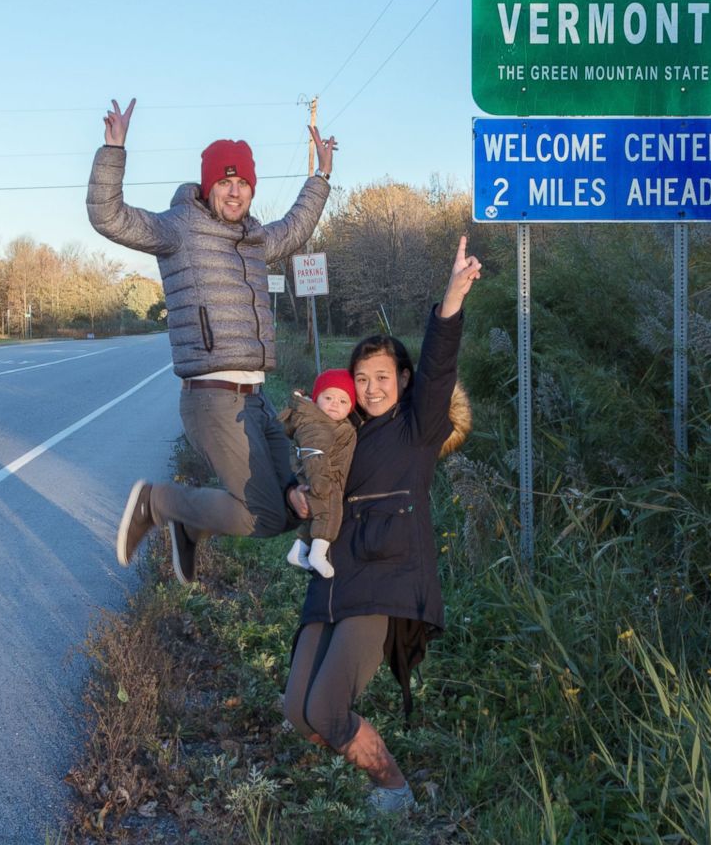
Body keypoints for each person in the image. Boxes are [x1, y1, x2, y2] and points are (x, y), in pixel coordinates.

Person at [86, 98, 335, 585]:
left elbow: (297, 228)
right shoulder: (178, 229)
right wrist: (113, 151)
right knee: (260, 515)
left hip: (256, 400)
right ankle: (157, 503)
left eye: (242, 182)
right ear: (208, 185)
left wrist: (321, 178)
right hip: (212, 396)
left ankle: (188, 526)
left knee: (290, 509)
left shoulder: (255, 238)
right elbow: (109, 217)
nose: (235, 191)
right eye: (225, 181)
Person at [282, 236, 479, 814]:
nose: (371, 388)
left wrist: (451, 299)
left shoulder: (418, 428)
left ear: (403, 380)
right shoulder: (340, 435)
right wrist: (297, 494)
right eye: (361, 378)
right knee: (299, 712)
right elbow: (311, 481)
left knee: (326, 710)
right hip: (332, 581)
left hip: (386, 582)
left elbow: (440, 363)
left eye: (383, 376)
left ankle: (395, 789)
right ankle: (363, 760)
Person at [278, 369, 357, 578]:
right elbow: (315, 455)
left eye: (343, 401)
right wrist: (320, 483)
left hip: (318, 476)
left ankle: (299, 550)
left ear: (351, 407)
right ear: (316, 398)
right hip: (321, 477)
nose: (334, 404)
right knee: (330, 514)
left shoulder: (328, 423)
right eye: (328, 397)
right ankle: (318, 554)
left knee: (313, 517)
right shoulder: (318, 426)